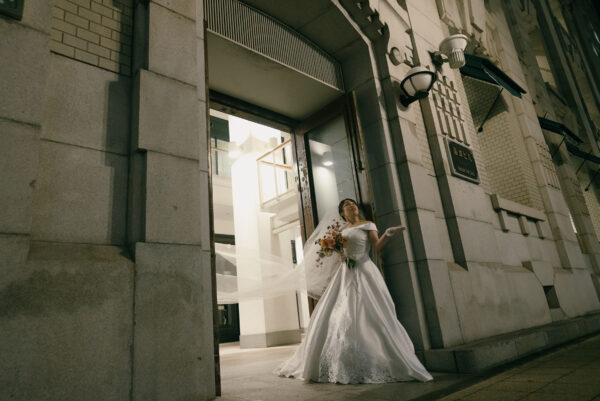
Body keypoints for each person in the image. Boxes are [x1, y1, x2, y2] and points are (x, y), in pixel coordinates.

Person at [274, 198, 433, 384]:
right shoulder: (340, 231)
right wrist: (339, 252)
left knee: (371, 311)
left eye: (353, 204)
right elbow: (337, 251)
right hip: (345, 272)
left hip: (364, 269)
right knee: (340, 312)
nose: (352, 206)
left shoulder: (367, 224)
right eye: (347, 205)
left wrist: (388, 234)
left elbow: (376, 247)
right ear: (342, 213)